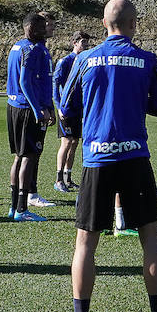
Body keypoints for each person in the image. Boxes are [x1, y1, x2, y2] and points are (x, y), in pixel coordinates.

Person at [57, 0, 157, 312]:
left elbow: (65, 109)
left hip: (97, 159)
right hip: (135, 157)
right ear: (134, 23)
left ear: (103, 24)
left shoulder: (84, 58)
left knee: (85, 244)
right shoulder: (145, 59)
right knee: (150, 239)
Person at [5, 13, 55, 220]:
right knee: (29, 156)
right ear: (32, 29)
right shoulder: (31, 50)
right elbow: (25, 82)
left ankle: (14, 206)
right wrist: (38, 109)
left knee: (20, 155)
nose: (48, 29)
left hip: (15, 106)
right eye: (44, 26)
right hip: (27, 109)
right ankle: (22, 209)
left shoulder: (17, 46)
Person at [53, 30, 93, 193]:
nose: (86, 44)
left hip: (79, 108)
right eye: (83, 41)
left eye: (87, 42)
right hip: (66, 108)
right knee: (67, 142)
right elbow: (55, 84)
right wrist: (58, 106)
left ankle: (68, 178)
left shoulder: (85, 61)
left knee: (75, 143)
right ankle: (58, 179)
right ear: (74, 42)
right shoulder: (65, 61)